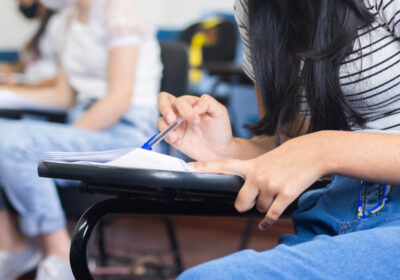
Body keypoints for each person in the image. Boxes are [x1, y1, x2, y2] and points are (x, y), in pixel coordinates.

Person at [157, 0, 400, 279]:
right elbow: (291, 145)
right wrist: (226, 149)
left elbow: (313, 151)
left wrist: (325, 149)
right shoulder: (254, 9)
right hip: (330, 217)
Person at [0, 0, 162, 279]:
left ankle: (60, 253)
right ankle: (12, 244)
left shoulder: (118, 11)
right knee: (9, 136)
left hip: (127, 131)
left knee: (13, 144)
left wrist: (62, 142)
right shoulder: (69, 19)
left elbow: (118, 100)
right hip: (88, 123)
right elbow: (64, 95)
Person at [0, 0, 60, 86]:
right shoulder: (35, 30)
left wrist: (19, 87)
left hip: (42, 88)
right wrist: (4, 68)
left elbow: (63, 78)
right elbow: (22, 65)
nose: (18, 3)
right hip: (30, 84)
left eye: (22, 1)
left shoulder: (57, 25)